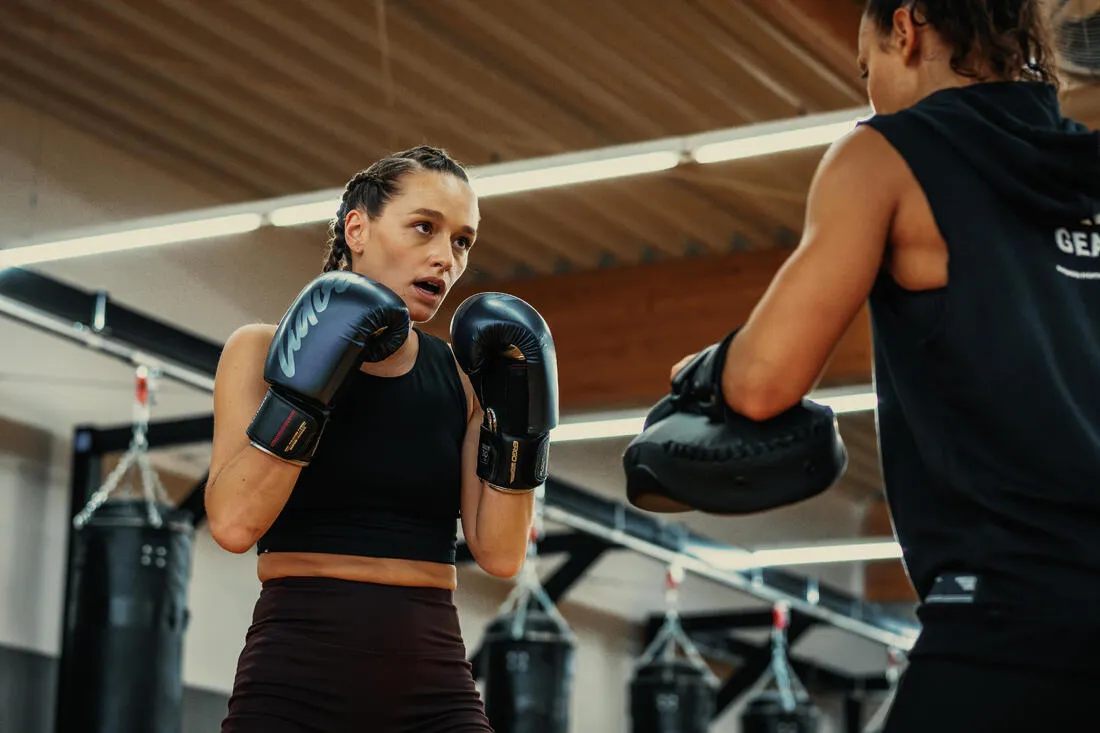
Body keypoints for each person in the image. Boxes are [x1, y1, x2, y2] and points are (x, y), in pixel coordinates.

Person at [631, 0, 1100, 729]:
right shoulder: (1087, 165)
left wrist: (707, 369)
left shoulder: (887, 153)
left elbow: (762, 384)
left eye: (867, 67)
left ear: (906, 29)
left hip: (1005, 622)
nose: (870, 89)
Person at [204, 145, 558, 732]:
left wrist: (521, 426)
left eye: (463, 242)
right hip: (296, 674)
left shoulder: (464, 382)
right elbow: (234, 524)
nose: (445, 258)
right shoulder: (261, 351)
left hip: (433, 678)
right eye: (425, 228)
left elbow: (500, 554)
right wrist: (306, 389)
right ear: (358, 228)